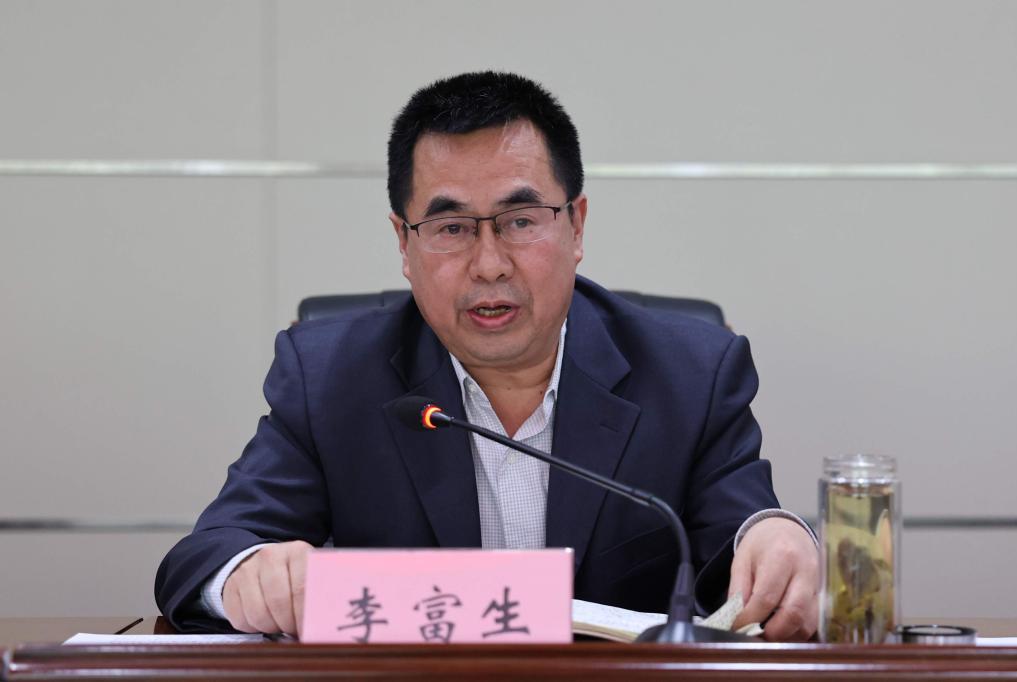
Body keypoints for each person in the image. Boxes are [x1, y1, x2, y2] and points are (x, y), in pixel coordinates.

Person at [155, 71, 818, 641]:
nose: (490, 264)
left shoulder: (692, 374)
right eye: (451, 228)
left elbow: (741, 537)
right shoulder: (329, 377)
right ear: (404, 243)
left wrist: (772, 539)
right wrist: (249, 574)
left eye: (520, 221)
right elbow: (204, 557)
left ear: (576, 225)